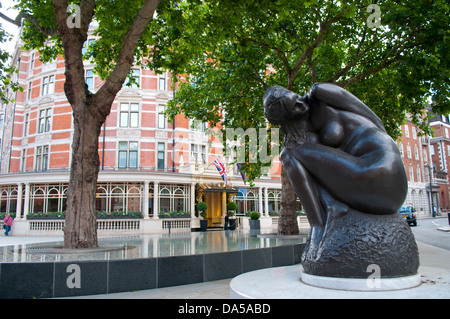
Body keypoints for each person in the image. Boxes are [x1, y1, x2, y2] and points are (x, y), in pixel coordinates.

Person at [264, 83, 408, 226]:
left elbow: (371, 117)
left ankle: (318, 225)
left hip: (382, 173)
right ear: (287, 121)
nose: (301, 103)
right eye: (293, 108)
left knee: (288, 154)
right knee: (290, 151)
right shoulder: (305, 135)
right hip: (373, 190)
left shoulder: (320, 93)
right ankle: (324, 217)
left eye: (296, 98)